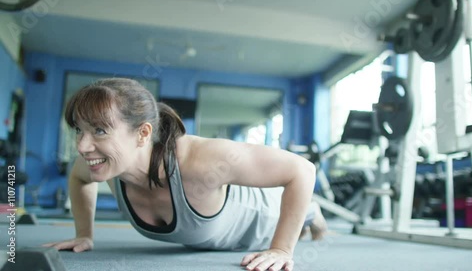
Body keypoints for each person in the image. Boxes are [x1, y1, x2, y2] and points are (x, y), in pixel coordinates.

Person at [44, 78, 328, 271]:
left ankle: (312, 210)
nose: (82, 146)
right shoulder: (104, 163)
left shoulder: (201, 159)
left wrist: (280, 249)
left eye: (100, 130)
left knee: (304, 215)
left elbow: (302, 170)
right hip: (220, 232)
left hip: (265, 213)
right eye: (79, 129)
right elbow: (78, 177)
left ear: (143, 133)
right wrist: (84, 234)